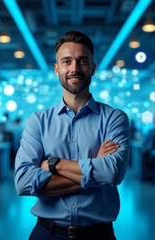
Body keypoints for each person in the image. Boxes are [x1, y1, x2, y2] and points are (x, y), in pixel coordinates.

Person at [14, 31, 130, 240]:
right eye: (67, 62)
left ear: (92, 68)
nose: (74, 69)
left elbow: (112, 173)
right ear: (57, 70)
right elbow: (23, 182)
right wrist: (95, 168)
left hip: (98, 235)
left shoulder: (114, 118)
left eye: (82, 61)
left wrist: (53, 164)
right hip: (46, 233)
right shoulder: (38, 121)